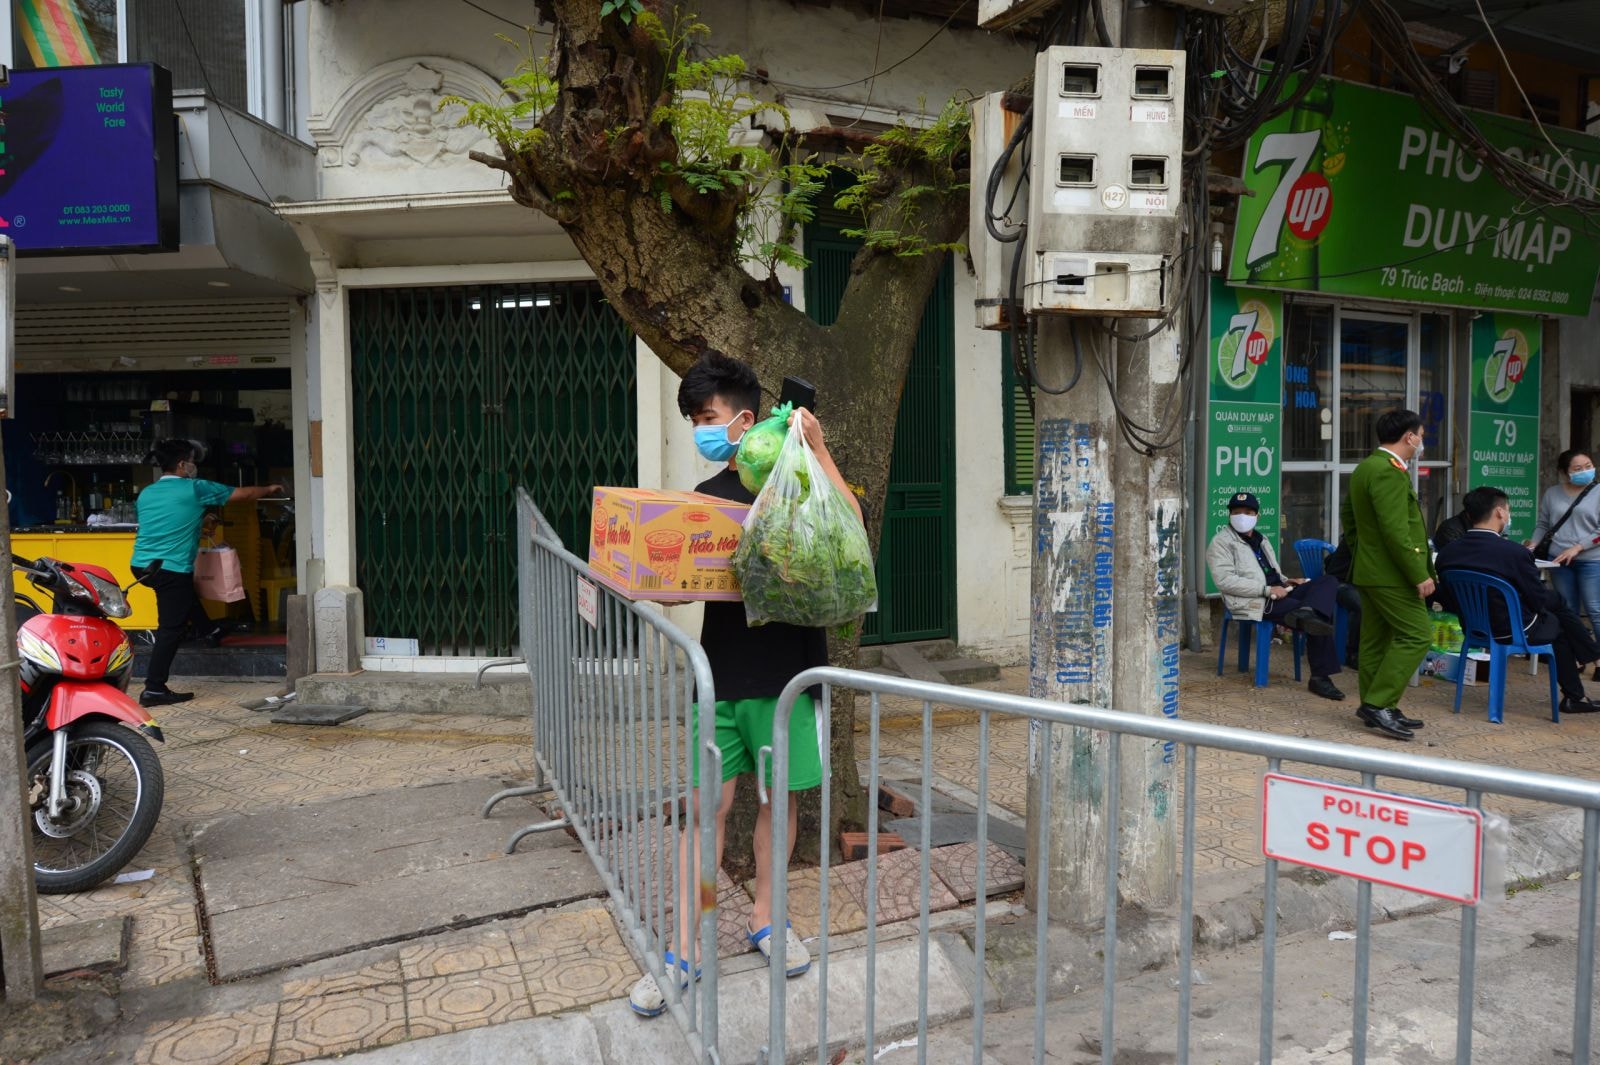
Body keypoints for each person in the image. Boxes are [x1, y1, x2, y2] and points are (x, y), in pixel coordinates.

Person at [629, 353, 863, 1018]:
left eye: (707, 418)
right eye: (695, 421)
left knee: (778, 806)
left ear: (745, 419)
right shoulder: (703, 500)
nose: (702, 429)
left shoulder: (801, 485)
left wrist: (818, 453)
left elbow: (856, 532)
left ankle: (767, 917)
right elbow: (677, 580)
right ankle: (685, 948)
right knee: (706, 811)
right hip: (720, 678)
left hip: (789, 679)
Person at [131, 439, 283, 708]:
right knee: (171, 629)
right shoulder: (195, 488)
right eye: (191, 461)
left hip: (142, 565)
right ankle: (154, 688)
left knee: (185, 595)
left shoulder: (147, 493)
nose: (194, 466)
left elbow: (168, 523)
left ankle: (209, 629)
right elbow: (243, 495)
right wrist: (270, 488)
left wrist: (200, 524)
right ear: (181, 465)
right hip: (169, 568)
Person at [1436, 486, 1600, 713]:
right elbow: (1537, 600)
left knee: (1557, 607)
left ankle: (1586, 666)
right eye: (1508, 510)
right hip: (1512, 629)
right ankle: (1581, 681)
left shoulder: (1447, 553)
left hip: (1473, 627)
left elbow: (1448, 598)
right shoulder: (1514, 553)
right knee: (1558, 617)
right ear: (1500, 513)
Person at [1340, 410, 1435, 741]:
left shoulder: (1367, 467)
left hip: (1371, 570)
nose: (1421, 441)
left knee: (1375, 641)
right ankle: (1379, 704)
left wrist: (1365, 553)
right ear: (1409, 436)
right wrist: (1418, 572)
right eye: (1420, 435)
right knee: (1417, 634)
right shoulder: (1388, 472)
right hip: (1392, 574)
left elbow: (1349, 519)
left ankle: (1378, 705)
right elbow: (1396, 531)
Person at [1206, 492, 1345, 700]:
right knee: (1318, 616)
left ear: (1256, 516)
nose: (1242, 516)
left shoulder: (1261, 539)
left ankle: (1307, 612)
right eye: (1237, 512)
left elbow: (1271, 571)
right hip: (1256, 600)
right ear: (1230, 515)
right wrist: (1267, 590)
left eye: (1248, 512)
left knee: (1328, 582)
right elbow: (1225, 581)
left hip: (1280, 591)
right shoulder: (1221, 543)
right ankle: (1320, 677)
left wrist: (1286, 581)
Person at [1528, 449, 1600, 665]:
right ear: (1565, 472)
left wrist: (1579, 547)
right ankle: (1577, 659)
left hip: (1592, 560)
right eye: (1578, 469)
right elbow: (1543, 524)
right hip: (1558, 561)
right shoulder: (1552, 493)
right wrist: (1533, 544)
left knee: (1595, 610)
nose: (1585, 471)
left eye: (1588, 466)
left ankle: (1598, 660)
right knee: (1568, 611)